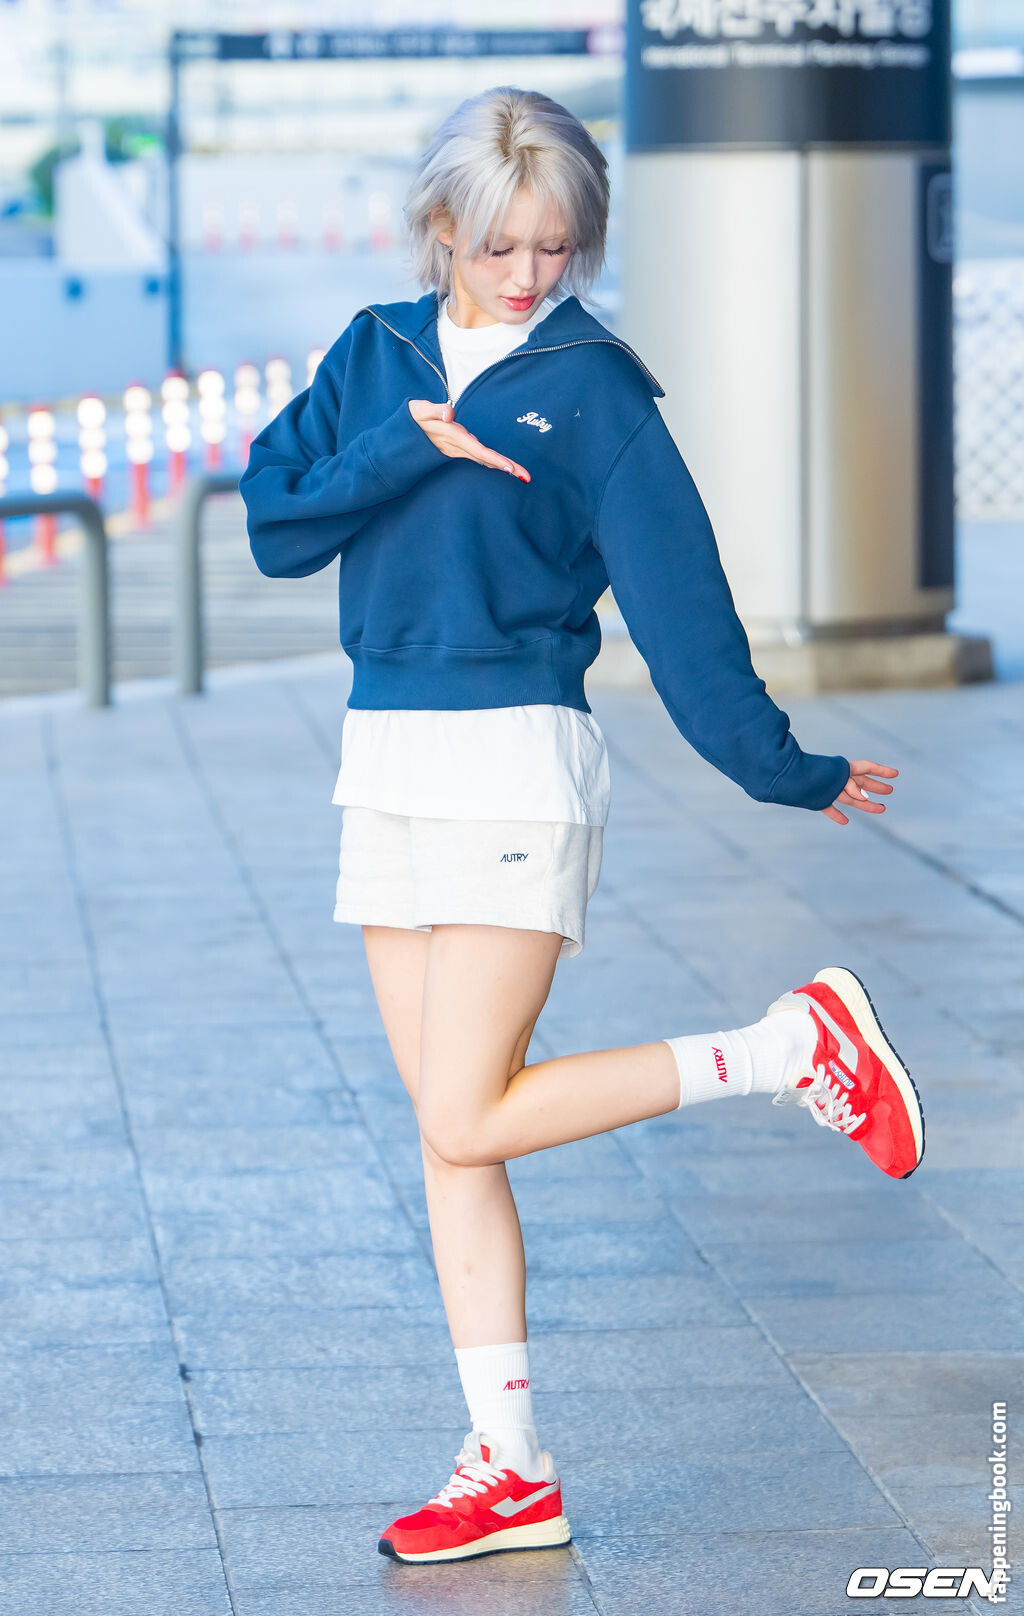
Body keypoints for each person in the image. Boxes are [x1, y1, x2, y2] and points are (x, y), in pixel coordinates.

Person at [239, 85, 925, 1566]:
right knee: (453, 1140)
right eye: (501, 246)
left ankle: (789, 1048)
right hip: (384, 762)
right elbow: (278, 524)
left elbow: (682, 605)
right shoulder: (375, 352)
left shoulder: (596, 388)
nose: (529, 274)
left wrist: (781, 764)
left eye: (556, 246)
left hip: (512, 762)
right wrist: (407, 447)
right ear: (443, 226)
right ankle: (511, 1467)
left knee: (461, 1113)